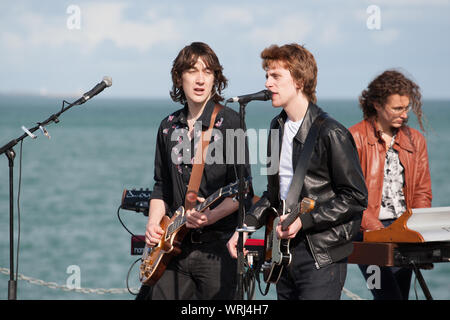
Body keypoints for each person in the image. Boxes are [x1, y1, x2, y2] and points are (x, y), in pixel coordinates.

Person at [227, 43, 368, 300]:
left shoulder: (331, 132)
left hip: (321, 255)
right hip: (283, 253)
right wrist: (245, 228)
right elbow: (272, 194)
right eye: (267, 76)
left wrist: (305, 220)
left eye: (276, 76)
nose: (268, 83)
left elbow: (356, 197)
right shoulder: (275, 128)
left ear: (300, 81)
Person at [144, 42, 252, 300]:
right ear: (179, 78)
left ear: (216, 79)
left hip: (216, 251)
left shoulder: (230, 123)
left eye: (208, 71)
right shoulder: (168, 126)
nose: (200, 79)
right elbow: (162, 186)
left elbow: (243, 190)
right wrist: (152, 223)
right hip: (172, 250)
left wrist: (211, 217)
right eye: (192, 71)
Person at [349, 69, 432, 300]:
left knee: (399, 296)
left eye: (406, 108)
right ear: (376, 104)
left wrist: (417, 230)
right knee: (387, 295)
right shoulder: (354, 138)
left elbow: (422, 192)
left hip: (404, 229)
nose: (404, 115)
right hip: (366, 233)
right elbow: (350, 196)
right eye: (397, 108)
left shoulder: (415, 140)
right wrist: (377, 230)